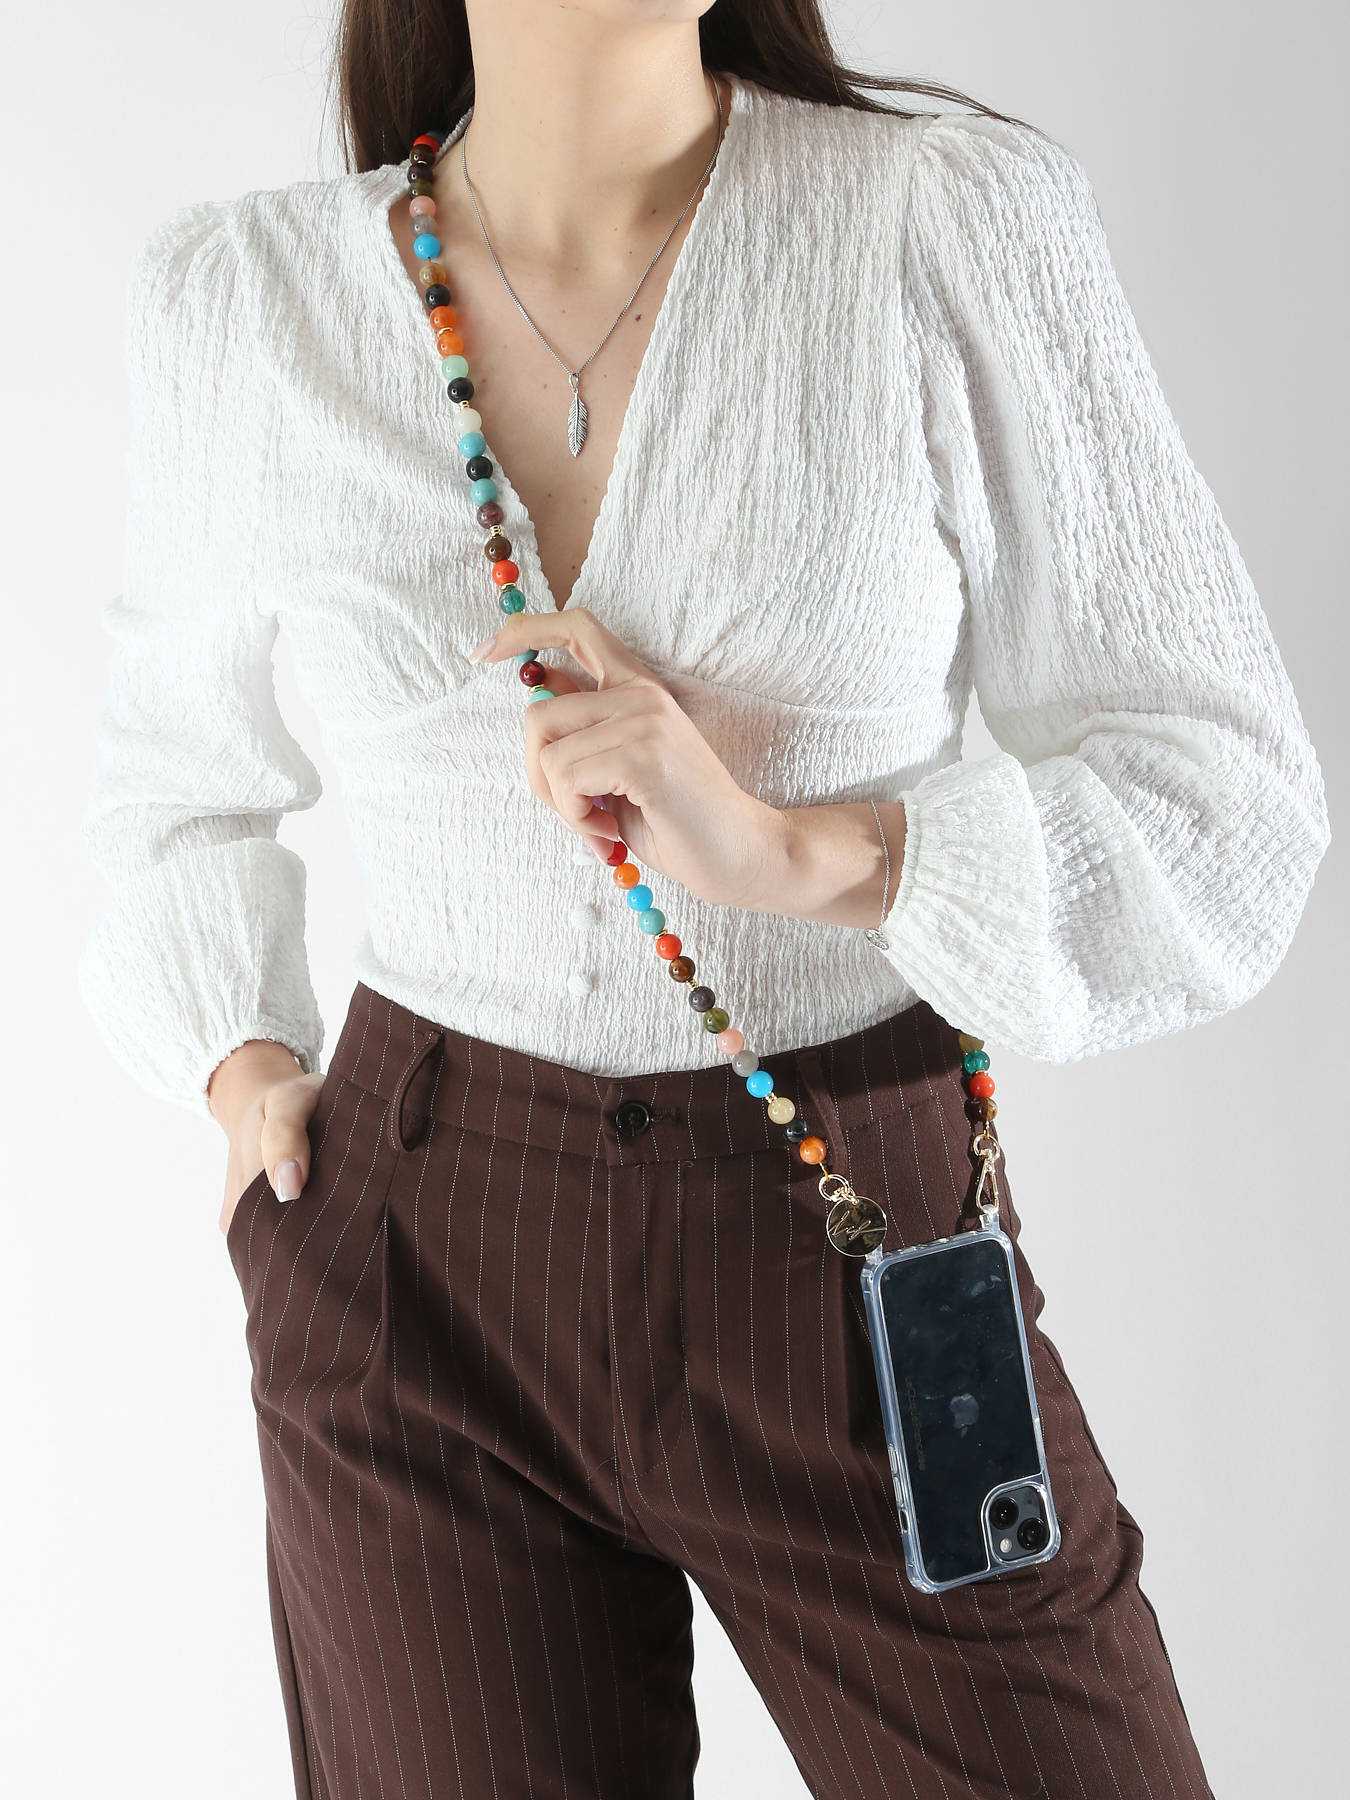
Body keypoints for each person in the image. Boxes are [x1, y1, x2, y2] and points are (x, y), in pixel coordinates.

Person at [77, 2, 1329, 1796]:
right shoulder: (243, 297)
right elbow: (170, 780)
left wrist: (800, 852)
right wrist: (242, 1065)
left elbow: (1222, 798)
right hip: (417, 1254)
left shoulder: (938, 219)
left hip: (845, 1219)